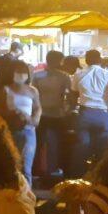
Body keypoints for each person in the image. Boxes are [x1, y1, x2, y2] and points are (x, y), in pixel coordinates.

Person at [70, 50, 108, 178]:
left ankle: (78, 179)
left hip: (85, 114)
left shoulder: (78, 75)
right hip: (103, 115)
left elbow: (73, 95)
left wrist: (72, 108)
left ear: (86, 61)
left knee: (82, 148)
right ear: (100, 60)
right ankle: (100, 179)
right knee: (103, 150)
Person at [0, 61, 42, 186]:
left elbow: (38, 107)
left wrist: (34, 119)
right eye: (18, 72)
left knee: (26, 166)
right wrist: (13, 113)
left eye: (23, 73)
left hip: (28, 131)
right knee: (10, 165)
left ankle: (27, 197)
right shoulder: (5, 90)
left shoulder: (33, 91)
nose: (21, 75)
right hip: (10, 130)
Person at [33, 50, 72, 178]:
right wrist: (68, 109)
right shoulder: (65, 77)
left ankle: (37, 171)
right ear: (57, 61)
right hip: (57, 114)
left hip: (40, 114)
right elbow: (70, 96)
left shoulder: (37, 76)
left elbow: (33, 95)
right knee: (55, 143)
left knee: (38, 143)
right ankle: (53, 169)